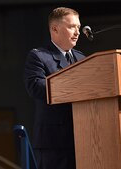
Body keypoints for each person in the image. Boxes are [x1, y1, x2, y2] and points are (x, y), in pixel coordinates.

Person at [23, 7, 85, 169]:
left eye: (78, 27)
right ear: (54, 29)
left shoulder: (82, 58)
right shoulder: (39, 56)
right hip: (54, 142)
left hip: (83, 137)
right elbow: (35, 86)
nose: (77, 32)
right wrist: (73, 87)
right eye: (72, 27)